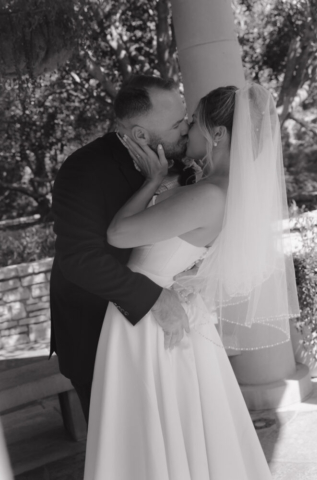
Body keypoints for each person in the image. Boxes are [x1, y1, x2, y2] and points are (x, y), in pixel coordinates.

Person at [83, 83, 299, 479]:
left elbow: (117, 234)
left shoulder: (208, 196)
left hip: (147, 319)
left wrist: (153, 179)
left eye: (193, 123)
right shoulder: (218, 189)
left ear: (217, 134)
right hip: (166, 307)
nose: (187, 132)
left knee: (149, 433)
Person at [49, 75, 196, 422]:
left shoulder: (180, 160)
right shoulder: (83, 169)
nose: (187, 127)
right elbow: (80, 260)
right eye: (177, 123)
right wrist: (158, 298)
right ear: (141, 135)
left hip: (162, 337)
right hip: (96, 333)